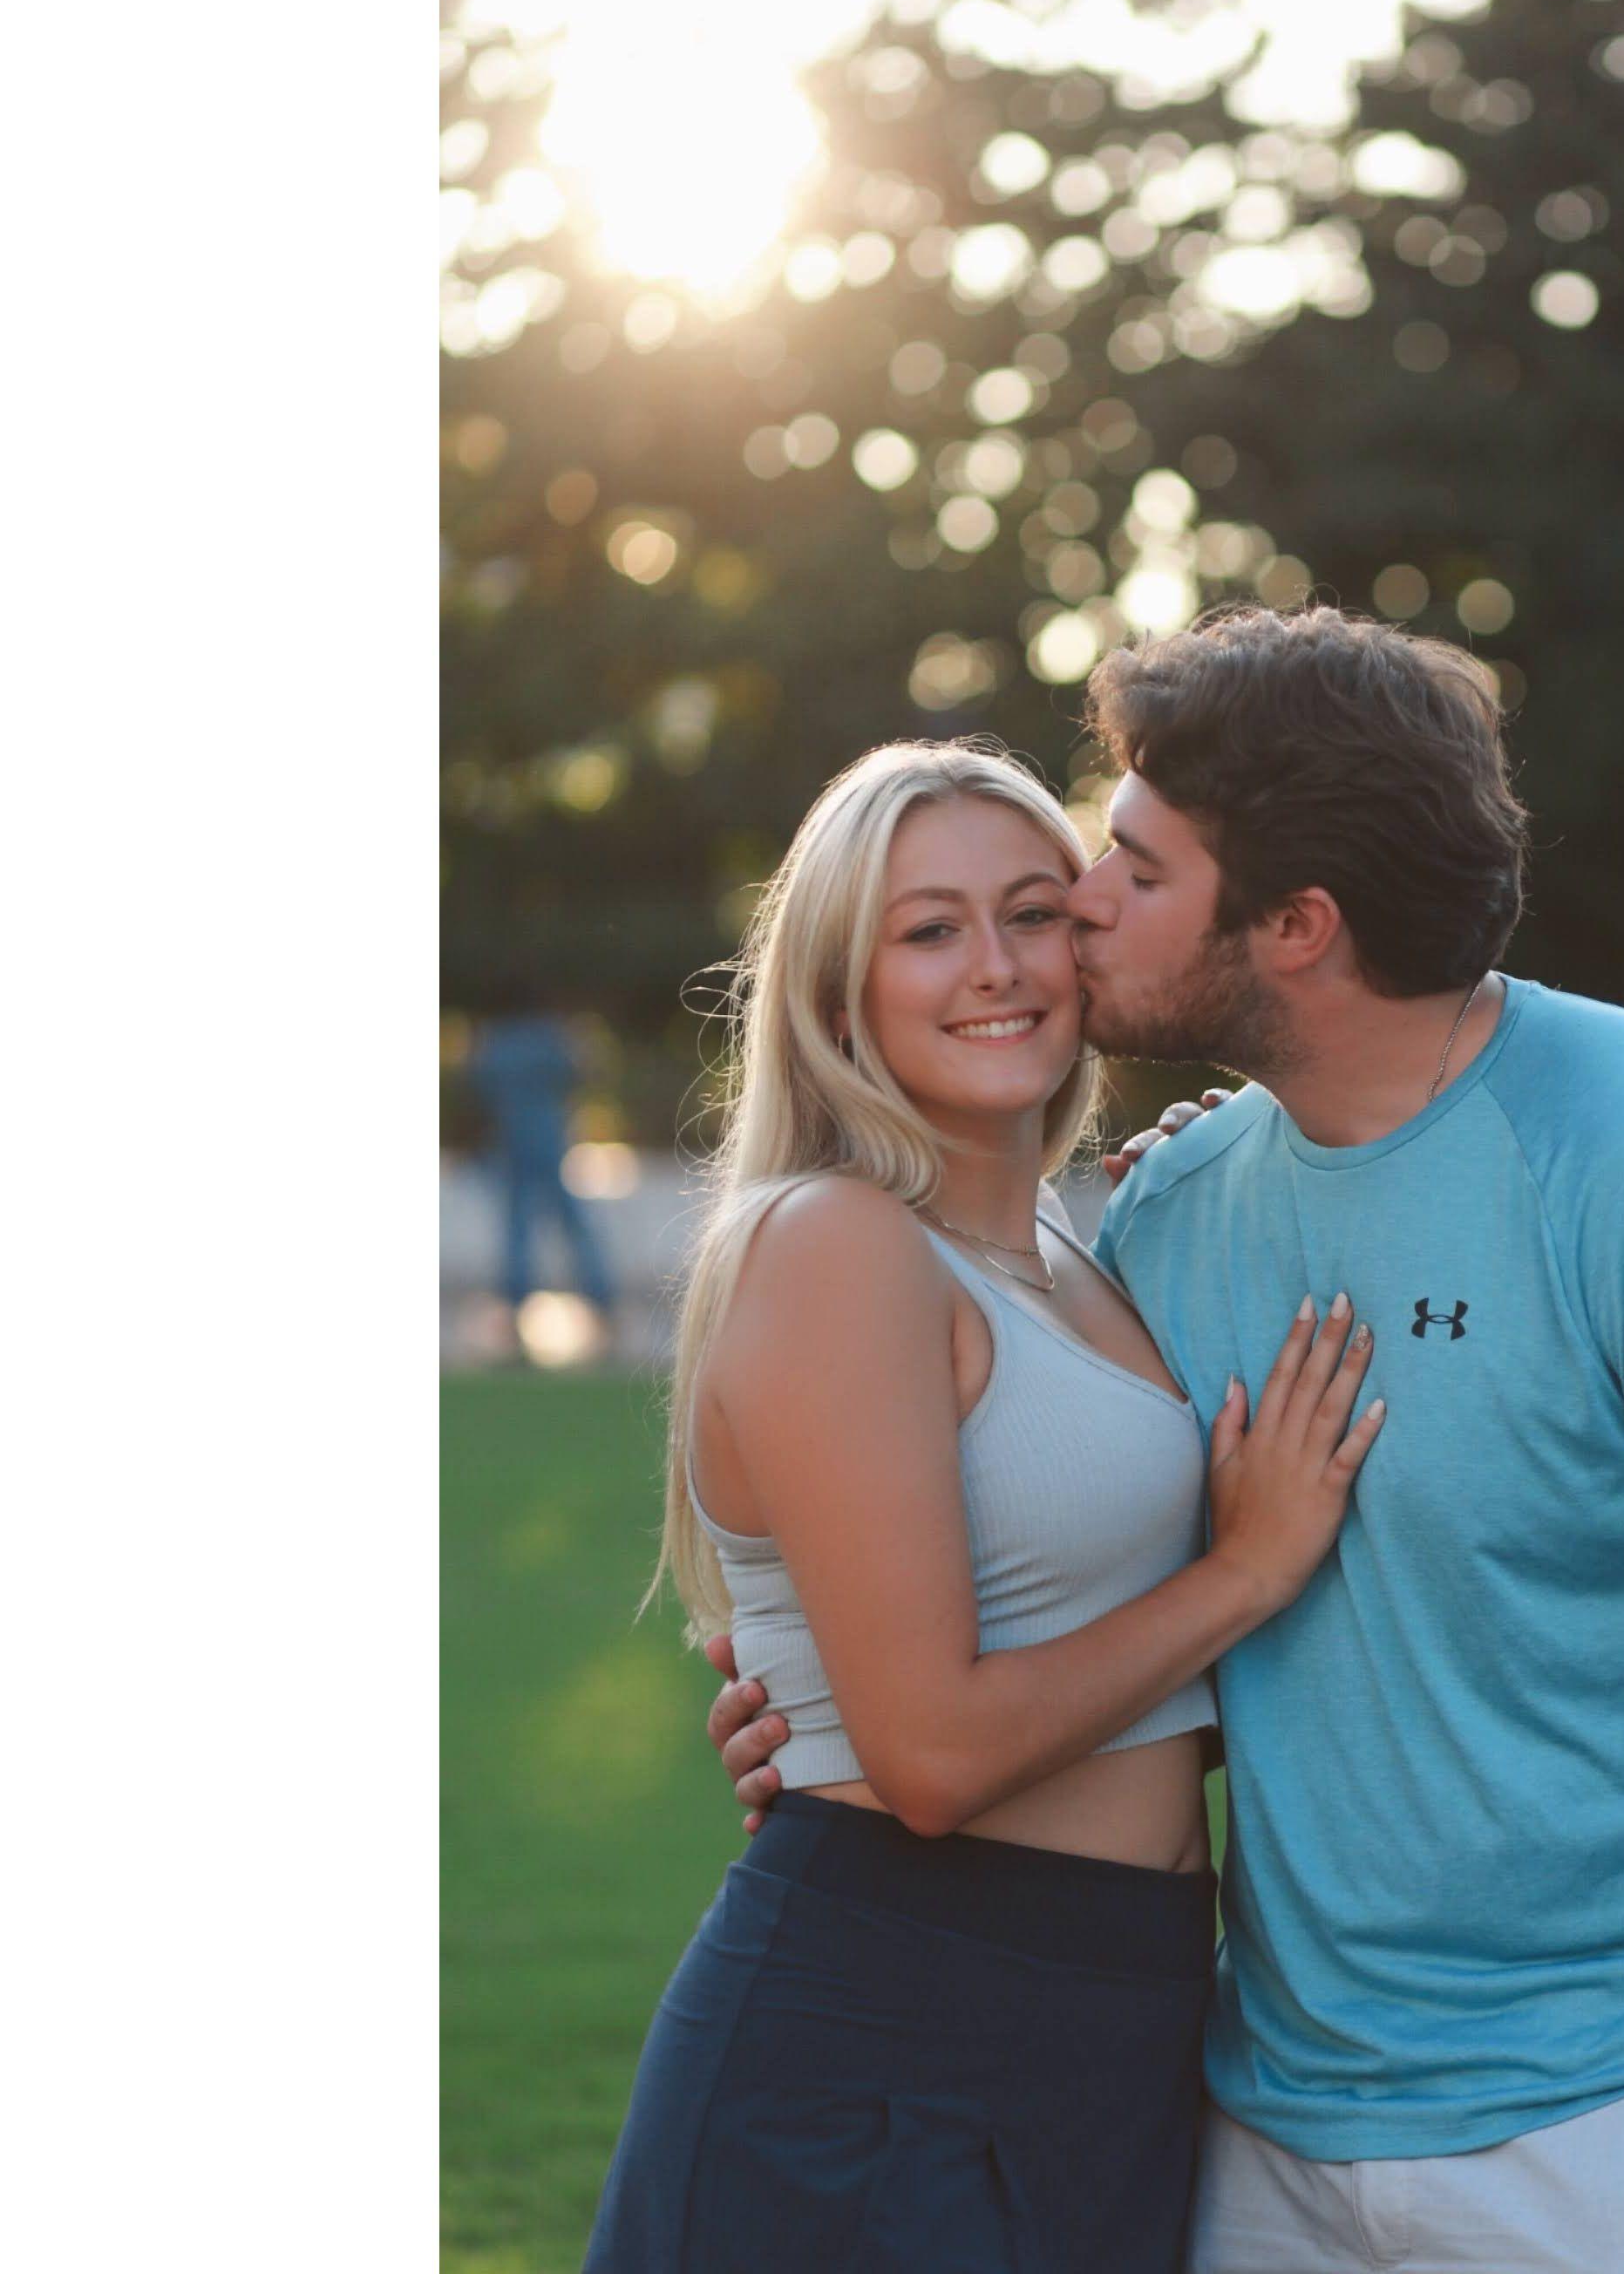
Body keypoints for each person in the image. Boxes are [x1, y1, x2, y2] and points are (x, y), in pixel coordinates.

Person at [711, 604, 1624, 2272]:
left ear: (1294, 923)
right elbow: (1161, 1643)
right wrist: (827, 1720)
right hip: (1246, 2135)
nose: (1080, 904)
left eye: (1132, 873)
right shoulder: (1164, 1211)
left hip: (1598, 2140)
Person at [582, 740, 1386, 2274]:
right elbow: (937, 1758)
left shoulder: (1085, 1262)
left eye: (1034, 911)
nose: (997, 964)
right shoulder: (839, 1242)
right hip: (884, 2041)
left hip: (1117, 2026)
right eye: (929, 928)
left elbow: (1119, 1681)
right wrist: (1245, 1568)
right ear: (836, 995)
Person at [467, 984, 616, 1338]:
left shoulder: (497, 1045)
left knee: (517, 1227)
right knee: (571, 1223)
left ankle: (517, 1301)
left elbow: (478, 1088)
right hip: (549, 1142)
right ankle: (600, 1295)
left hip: (510, 1143)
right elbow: (577, 1074)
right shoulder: (548, 1039)